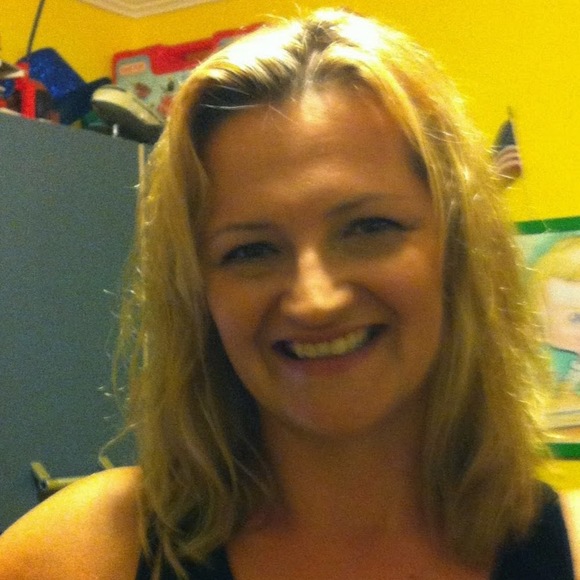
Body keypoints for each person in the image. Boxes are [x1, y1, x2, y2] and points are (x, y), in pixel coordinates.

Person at [1, 8, 579, 579]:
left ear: (456, 252)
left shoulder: (567, 550)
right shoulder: (85, 552)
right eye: (250, 251)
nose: (314, 300)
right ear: (200, 295)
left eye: (368, 227)